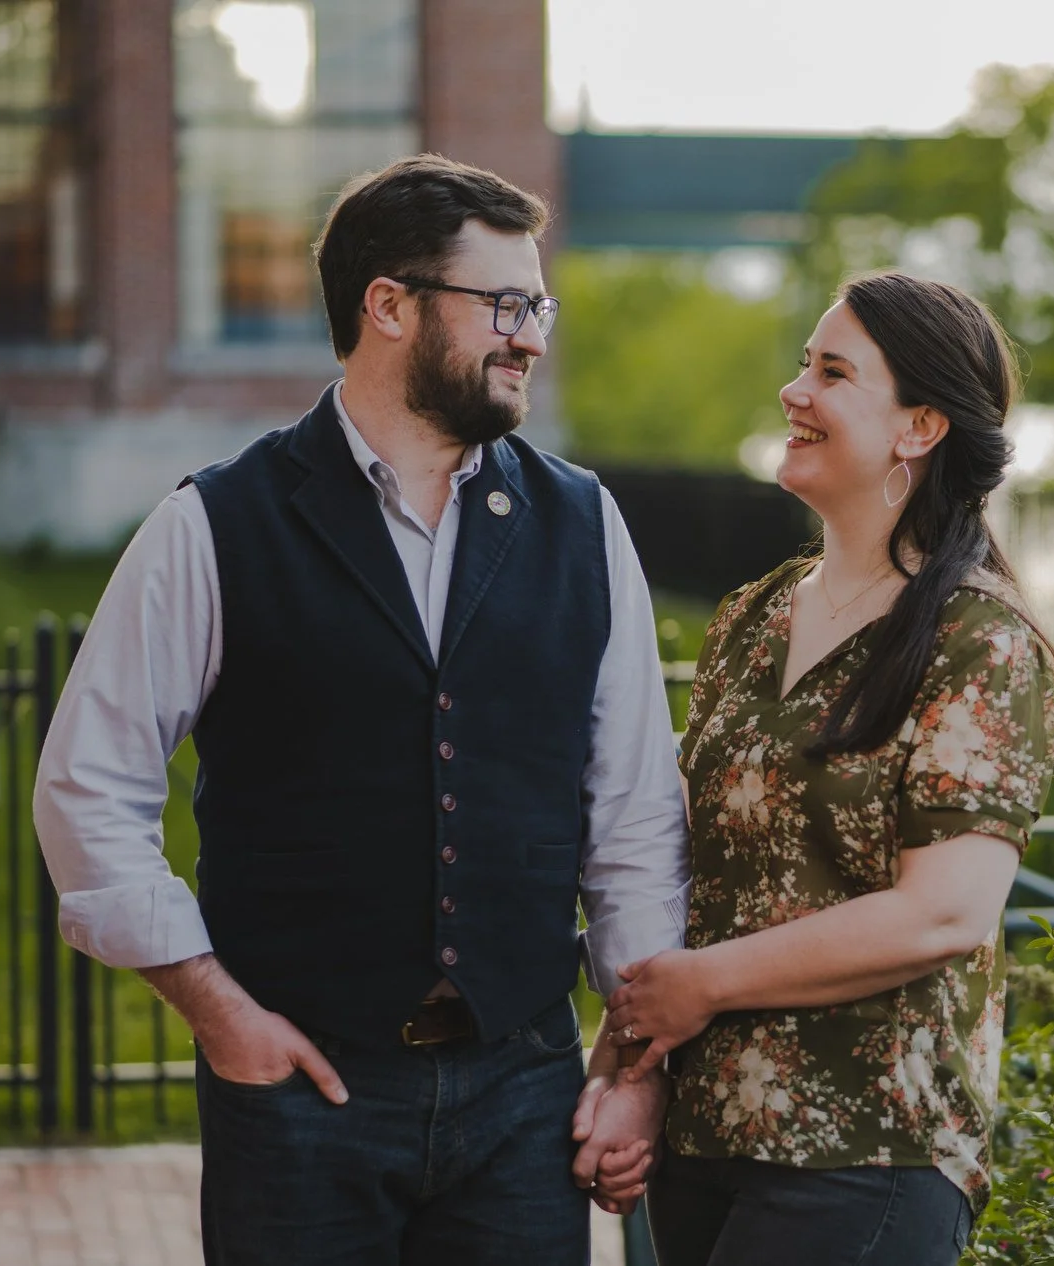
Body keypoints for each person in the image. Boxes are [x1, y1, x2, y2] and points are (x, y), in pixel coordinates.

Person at [33, 154, 677, 1265]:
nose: (530, 339)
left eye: (538, 309)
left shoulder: (584, 525)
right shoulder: (216, 524)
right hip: (297, 1097)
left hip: (524, 1097)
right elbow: (87, 790)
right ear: (388, 304)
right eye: (504, 305)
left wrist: (632, 1067)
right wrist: (221, 1016)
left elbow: (634, 820)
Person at [599, 271, 1054, 1266]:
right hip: (707, 1136)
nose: (793, 391)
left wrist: (702, 984)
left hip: (868, 1146)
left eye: (833, 373)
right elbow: (688, 866)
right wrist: (626, 1070)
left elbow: (943, 913)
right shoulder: (751, 617)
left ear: (918, 428)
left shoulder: (979, 641)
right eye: (803, 364)